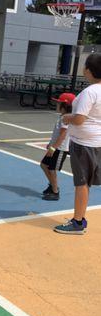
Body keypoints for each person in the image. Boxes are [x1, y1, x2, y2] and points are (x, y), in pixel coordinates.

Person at [54, 53, 101, 234]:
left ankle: (78, 222)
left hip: (84, 144)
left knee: (81, 183)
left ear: (88, 70)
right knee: (86, 182)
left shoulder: (89, 92)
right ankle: (80, 217)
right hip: (96, 142)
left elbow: (79, 119)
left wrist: (67, 117)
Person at [40, 92, 75, 201]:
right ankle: (52, 185)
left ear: (65, 106)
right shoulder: (62, 117)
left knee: (52, 169)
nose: (57, 105)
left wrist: (53, 147)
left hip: (60, 149)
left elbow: (62, 135)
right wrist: (51, 144)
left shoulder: (66, 118)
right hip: (55, 147)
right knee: (44, 165)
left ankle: (55, 192)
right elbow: (57, 134)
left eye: (59, 103)